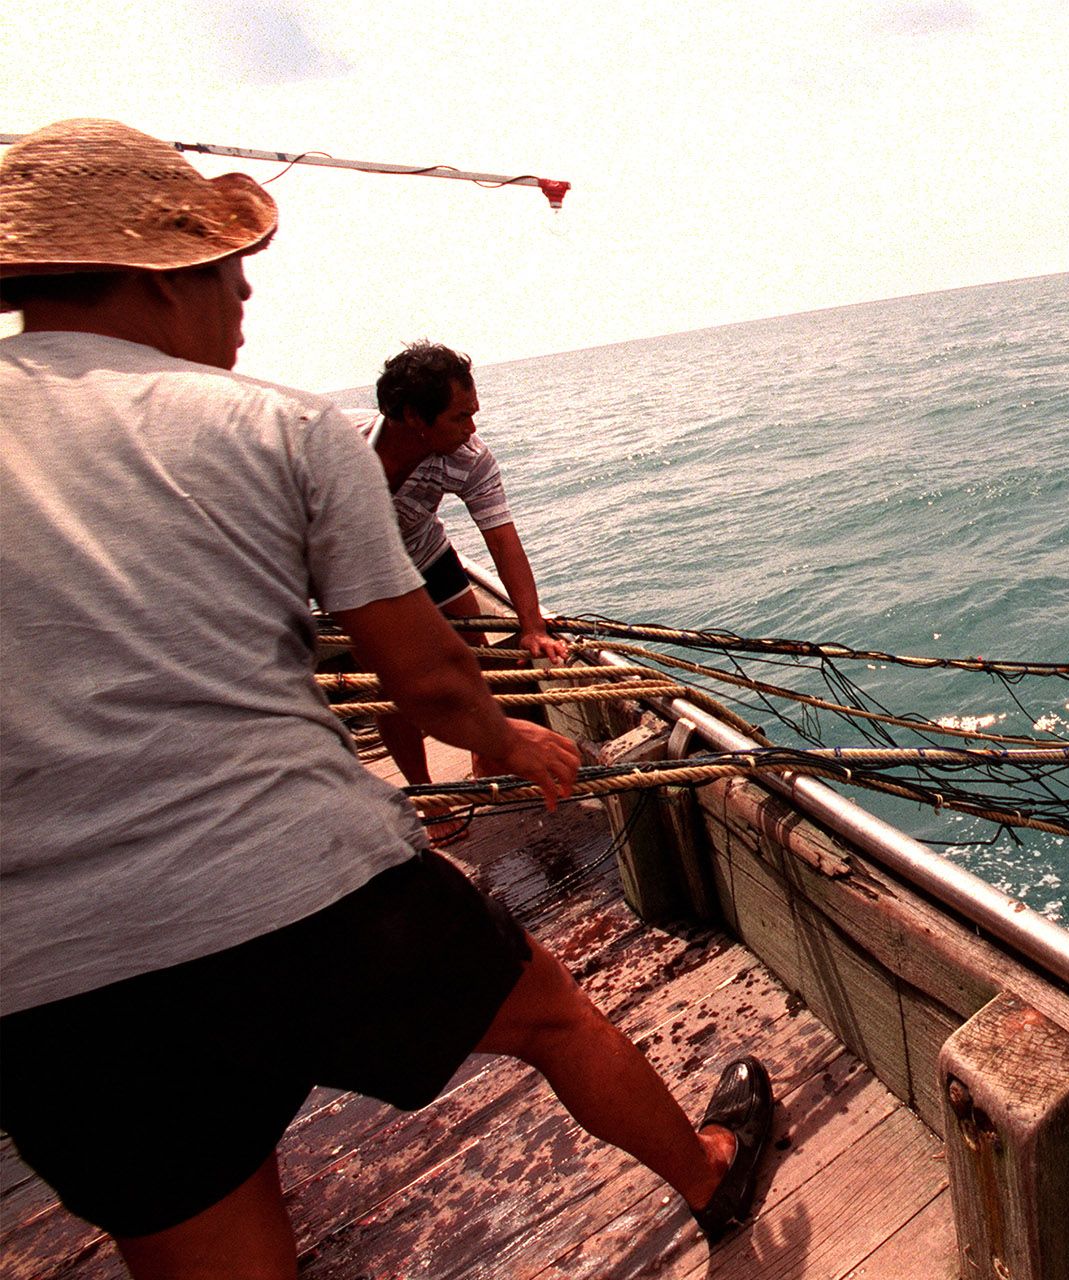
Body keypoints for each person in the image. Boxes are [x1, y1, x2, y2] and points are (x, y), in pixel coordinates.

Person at [0, 119, 772, 1278]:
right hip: (296, 882)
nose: (244, 296)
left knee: (206, 1225)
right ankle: (710, 1169)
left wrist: (524, 628)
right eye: (228, 269)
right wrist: (511, 736)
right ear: (161, 273)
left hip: (46, 974)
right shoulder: (280, 426)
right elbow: (426, 676)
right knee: (550, 1012)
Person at [355, 340, 569, 798]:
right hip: (362, 571)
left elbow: (502, 539)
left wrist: (532, 626)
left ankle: (485, 756)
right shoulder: (340, 448)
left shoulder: (469, 457)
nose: (472, 428)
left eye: (473, 413)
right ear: (414, 416)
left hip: (426, 553)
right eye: (460, 417)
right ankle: (425, 794)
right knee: (387, 685)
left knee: (477, 660)